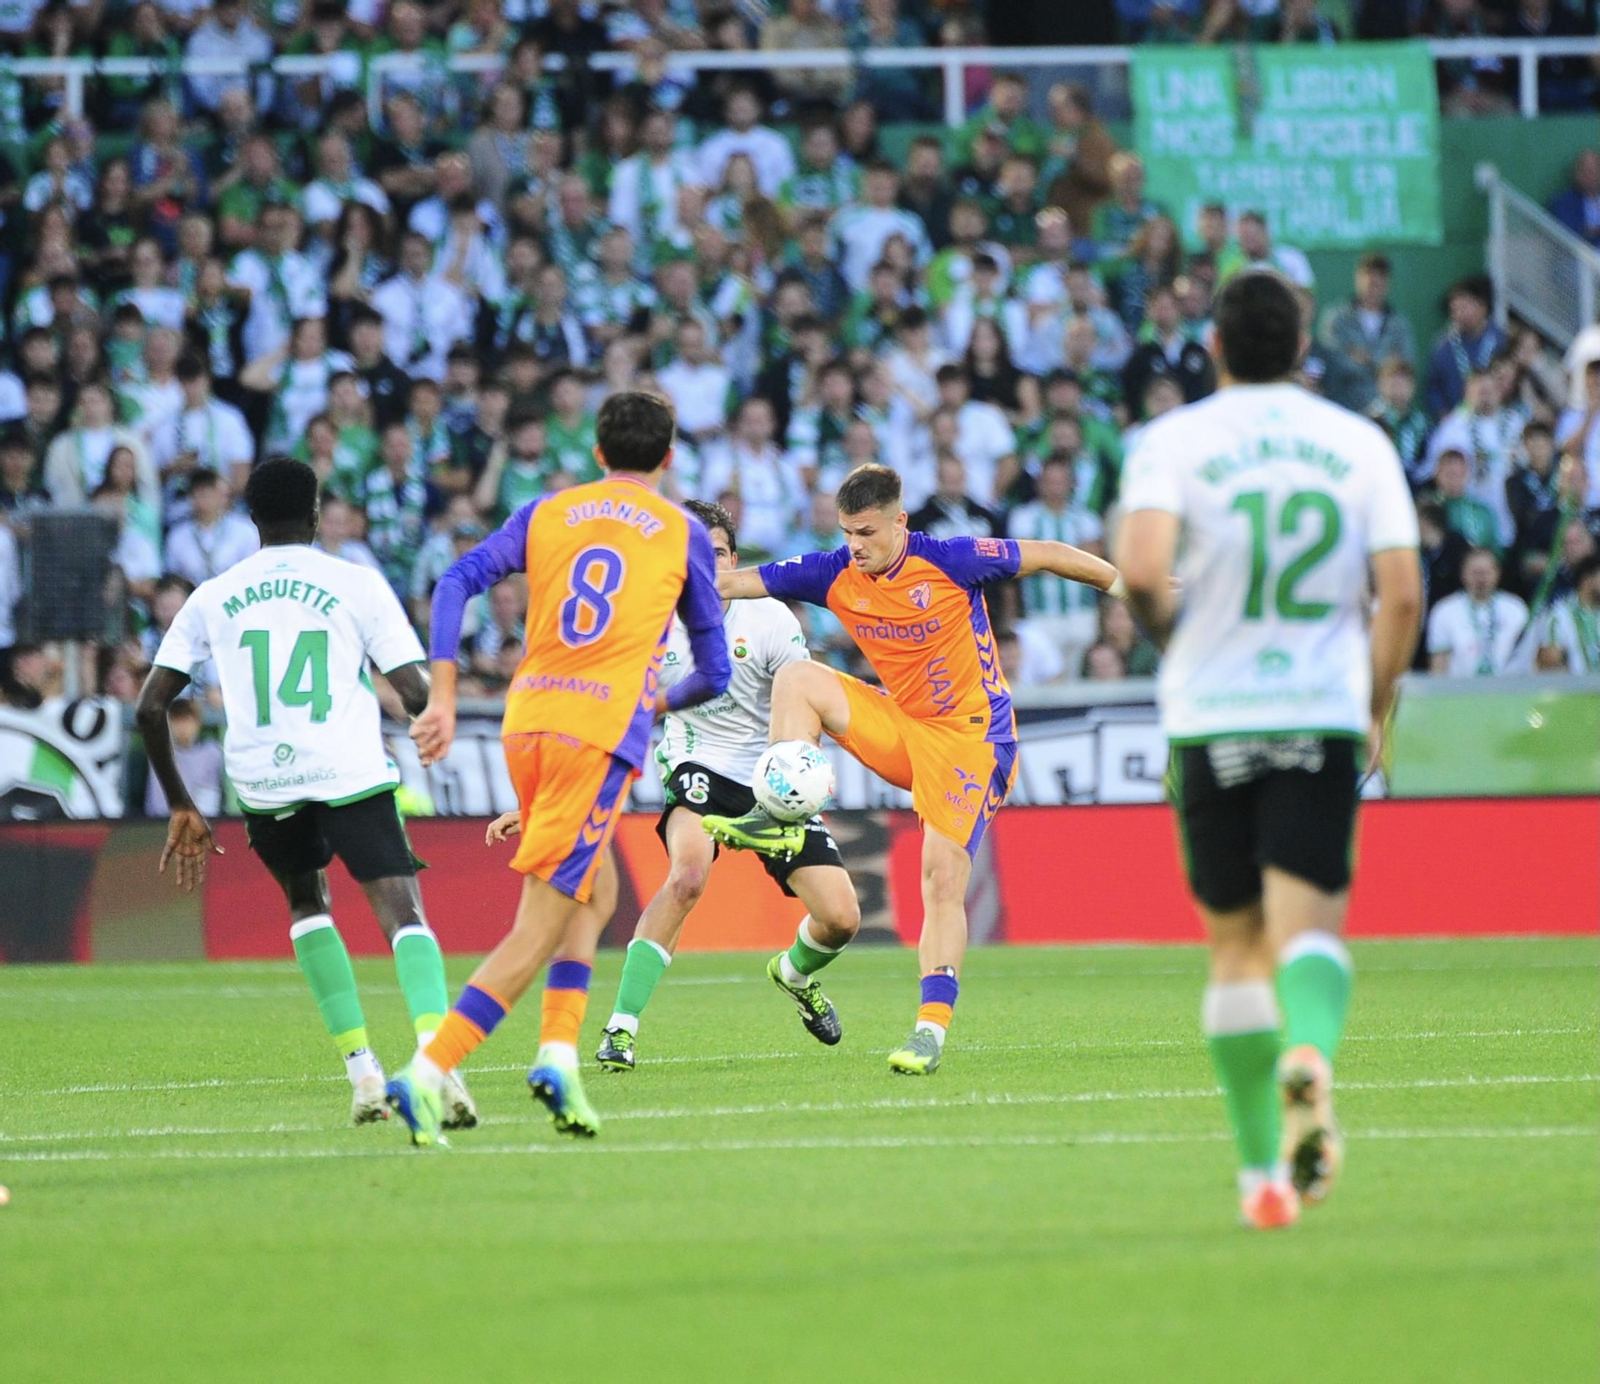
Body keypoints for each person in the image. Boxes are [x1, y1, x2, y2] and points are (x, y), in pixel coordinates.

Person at [1117, 270, 1424, 1230]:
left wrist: (1181, 640)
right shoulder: (1357, 443)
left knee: (1235, 950)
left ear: (1212, 346)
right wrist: (1372, 702)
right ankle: (1312, 1057)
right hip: (1317, 711)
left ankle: (1259, 1180)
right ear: (1302, 347)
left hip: (1212, 716)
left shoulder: (1170, 442)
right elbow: (1404, 596)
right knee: (1309, 933)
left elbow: (1136, 570)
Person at [389, 392, 731, 1146]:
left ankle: (557, 1058)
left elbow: (454, 582)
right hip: (595, 734)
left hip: (526, 721)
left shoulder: (548, 512)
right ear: (669, 458)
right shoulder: (682, 533)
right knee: (539, 926)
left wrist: (444, 695)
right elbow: (715, 673)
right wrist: (655, 700)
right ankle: (425, 1072)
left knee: (597, 887)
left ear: (598, 453)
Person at [704, 463, 1121, 1075]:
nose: (855, 546)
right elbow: (733, 585)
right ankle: (780, 816)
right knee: (798, 676)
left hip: (972, 740)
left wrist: (1128, 587)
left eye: (867, 532)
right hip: (904, 725)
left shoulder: (954, 559)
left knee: (941, 878)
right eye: (847, 532)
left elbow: (1052, 553)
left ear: (900, 521)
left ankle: (929, 1030)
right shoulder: (834, 570)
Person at [134, 458, 475, 1130]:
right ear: (318, 513)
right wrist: (435, 721)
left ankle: (362, 1073)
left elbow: (149, 707)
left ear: (251, 519)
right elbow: (411, 690)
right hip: (347, 769)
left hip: (264, 779)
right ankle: (438, 1064)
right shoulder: (355, 583)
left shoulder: (213, 594)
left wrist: (181, 802)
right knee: (402, 912)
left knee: (306, 904)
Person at [578, 500, 862, 1069]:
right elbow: (613, 722)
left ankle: (793, 974)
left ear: (734, 560)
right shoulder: (652, 631)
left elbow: (808, 702)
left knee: (841, 919)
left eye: (719, 555)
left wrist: (801, 771)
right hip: (698, 766)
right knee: (686, 878)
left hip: (772, 780)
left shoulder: (771, 619)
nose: (708, 567)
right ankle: (621, 1028)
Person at [1426, 547, 1528, 676]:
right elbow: (1438, 666)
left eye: (1486, 572)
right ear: (1462, 573)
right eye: (1475, 572)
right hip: (1461, 691)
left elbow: (1528, 658)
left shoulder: (1516, 608)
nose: (1481, 579)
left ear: (1498, 573)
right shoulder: (1444, 611)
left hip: (1509, 689)